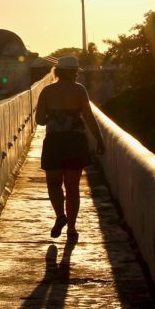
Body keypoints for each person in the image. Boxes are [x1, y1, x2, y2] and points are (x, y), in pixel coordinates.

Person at [35, 54, 105, 240]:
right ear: (74, 72)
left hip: (55, 142)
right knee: (72, 188)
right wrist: (99, 140)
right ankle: (72, 229)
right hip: (75, 141)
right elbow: (89, 117)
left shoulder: (47, 91)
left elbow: (40, 120)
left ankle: (60, 216)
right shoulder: (79, 90)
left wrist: (54, 116)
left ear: (57, 71)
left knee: (53, 183)